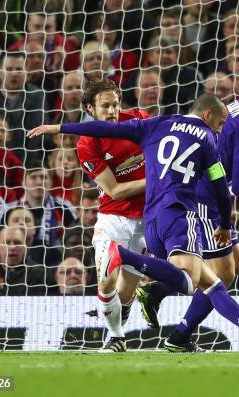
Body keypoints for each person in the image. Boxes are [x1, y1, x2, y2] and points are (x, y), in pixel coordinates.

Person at [26, 93, 239, 355]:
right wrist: (227, 224)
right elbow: (220, 188)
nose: (220, 130)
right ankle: (123, 256)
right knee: (187, 283)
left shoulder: (155, 124)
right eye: (219, 124)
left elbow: (103, 128)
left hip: (150, 222)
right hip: (180, 215)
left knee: (214, 283)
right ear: (207, 116)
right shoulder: (208, 140)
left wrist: (59, 127)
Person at [145, 67, 239, 352]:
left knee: (237, 264)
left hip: (211, 197)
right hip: (203, 198)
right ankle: (179, 336)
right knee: (222, 275)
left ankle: (158, 291)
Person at [75, 79, 150, 352]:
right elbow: (115, 190)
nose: (112, 110)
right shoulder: (87, 143)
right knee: (106, 280)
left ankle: (117, 333)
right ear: (90, 109)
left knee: (127, 290)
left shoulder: (138, 120)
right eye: (105, 106)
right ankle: (116, 336)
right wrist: (156, 180)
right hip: (113, 219)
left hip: (147, 219)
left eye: (115, 104)